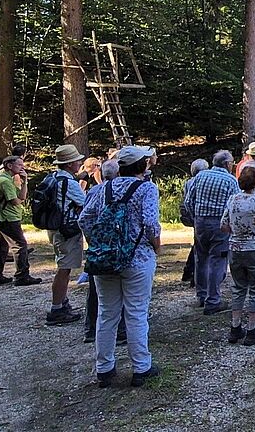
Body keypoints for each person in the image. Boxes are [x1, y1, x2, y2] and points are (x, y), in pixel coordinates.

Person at [78, 145, 162, 388]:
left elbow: (84, 219)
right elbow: (150, 224)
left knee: (106, 313)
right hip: (137, 258)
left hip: (105, 259)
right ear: (142, 165)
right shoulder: (146, 189)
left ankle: (104, 368)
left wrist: (98, 243)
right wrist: (155, 246)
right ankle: (141, 367)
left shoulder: (103, 188)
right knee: (136, 312)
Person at [184, 150, 239, 314]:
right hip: (219, 225)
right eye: (232, 163)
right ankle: (213, 300)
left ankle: (201, 295)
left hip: (200, 222)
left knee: (201, 258)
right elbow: (235, 206)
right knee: (218, 261)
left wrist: (195, 218)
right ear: (227, 164)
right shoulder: (230, 180)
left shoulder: (200, 176)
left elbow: (188, 201)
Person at [222, 167, 255, 346]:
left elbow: (223, 225)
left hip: (235, 247)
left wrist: (237, 232)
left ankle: (235, 327)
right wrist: (254, 232)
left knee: (238, 287)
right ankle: (252, 329)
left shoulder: (232, 199)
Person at [82, 159, 126, 344]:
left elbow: (84, 219)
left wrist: (93, 241)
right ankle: (121, 331)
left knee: (96, 289)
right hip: (117, 248)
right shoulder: (121, 191)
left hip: (98, 248)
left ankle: (91, 329)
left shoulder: (94, 191)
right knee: (121, 289)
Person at [46, 144, 86, 325]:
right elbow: (85, 203)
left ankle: (62, 302)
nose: (79, 163)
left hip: (55, 227)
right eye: (77, 161)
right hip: (67, 230)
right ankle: (57, 309)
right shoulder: (69, 183)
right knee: (64, 269)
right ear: (70, 164)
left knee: (63, 265)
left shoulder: (54, 178)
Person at [0, 155, 42, 287]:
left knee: (0, 246)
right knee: (20, 245)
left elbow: (22, 196)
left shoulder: (8, 179)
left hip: (4, 217)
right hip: (8, 218)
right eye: (19, 165)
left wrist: (25, 181)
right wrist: (20, 199)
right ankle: (22, 276)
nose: (23, 167)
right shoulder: (4, 181)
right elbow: (15, 201)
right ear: (9, 166)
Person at [181, 158, 209, 285]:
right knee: (200, 246)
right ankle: (193, 274)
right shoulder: (204, 181)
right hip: (202, 216)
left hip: (195, 216)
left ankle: (189, 272)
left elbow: (187, 200)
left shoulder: (188, 182)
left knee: (198, 243)